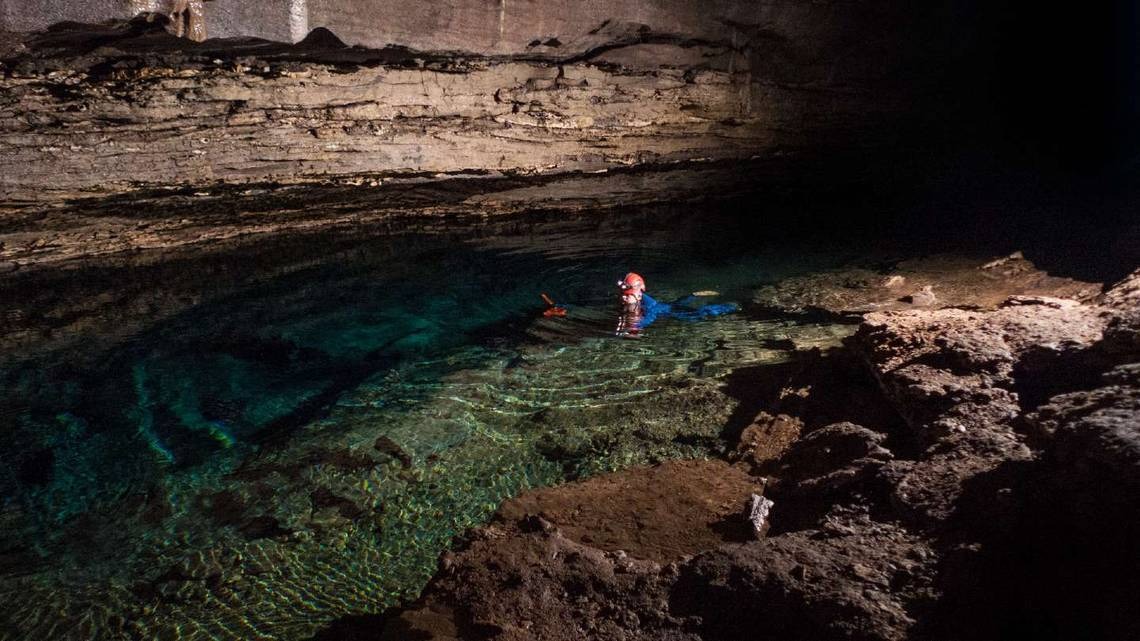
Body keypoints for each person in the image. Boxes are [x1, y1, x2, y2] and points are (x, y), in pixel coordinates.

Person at [615, 272, 737, 337]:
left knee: (701, 313)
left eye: (627, 295)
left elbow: (649, 318)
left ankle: (733, 305)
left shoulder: (650, 307)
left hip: (670, 311)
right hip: (667, 305)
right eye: (622, 294)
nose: (623, 297)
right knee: (678, 302)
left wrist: (635, 327)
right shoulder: (637, 298)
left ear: (638, 295)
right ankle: (692, 296)